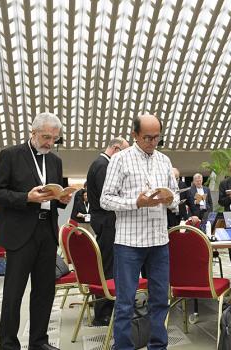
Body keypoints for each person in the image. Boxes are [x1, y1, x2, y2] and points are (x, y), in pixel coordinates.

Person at [0, 112, 71, 350]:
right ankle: (9, 344)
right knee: (14, 293)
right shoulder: (11, 155)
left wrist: (62, 198)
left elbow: (54, 194)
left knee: (44, 291)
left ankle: (38, 342)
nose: (49, 143)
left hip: (47, 231)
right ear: (32, 132)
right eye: (46, 137)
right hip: (20, 233)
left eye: (54, 138)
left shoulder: (55, 161)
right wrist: (27, 197)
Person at [100, 114, 178, 350]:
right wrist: (137, 202)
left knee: (159, 299)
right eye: (147, 137)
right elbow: (106, 200)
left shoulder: (164, 160)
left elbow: (175, 198)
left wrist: (170, 199)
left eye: (157, 137)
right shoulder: (120, 160)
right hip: (129, 242)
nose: (153, 142)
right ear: (134, 135)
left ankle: (158, 345)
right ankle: (123, 346)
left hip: (159, 240)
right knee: (125, 302)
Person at [86, 136, 129, 326]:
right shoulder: (104, 165)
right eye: (125, 152)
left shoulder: (100, 163)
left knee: (109, 264)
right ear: (117, 149)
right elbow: (109, 196)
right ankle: (103, 312)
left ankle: (109, 305)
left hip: (104, 220)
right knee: (108, 266)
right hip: (106, 220)